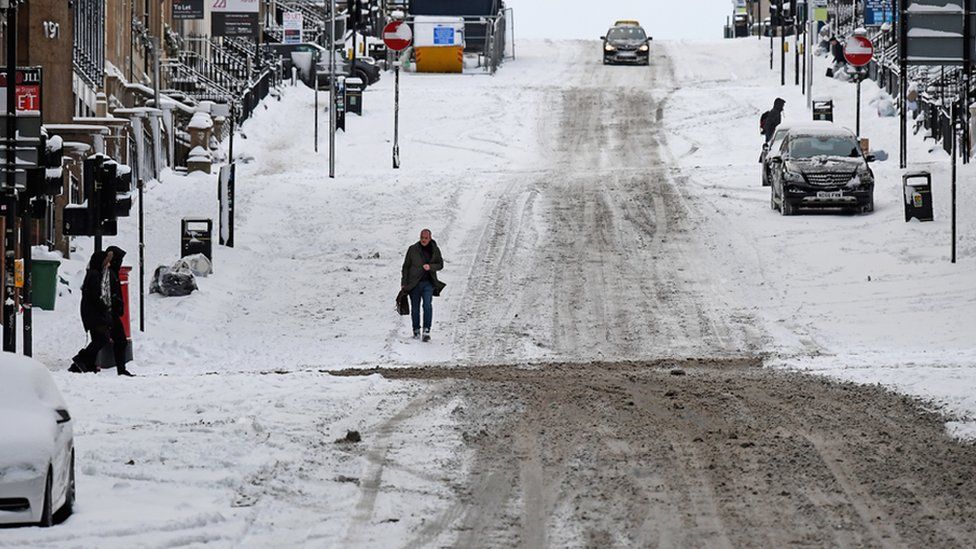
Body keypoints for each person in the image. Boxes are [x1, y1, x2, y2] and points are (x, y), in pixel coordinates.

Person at [70, 248, 134, 376]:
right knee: (102, 340)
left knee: (110, 340)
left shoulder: (103, 273)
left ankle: (86, 365)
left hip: (105, 314)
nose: (110, 263)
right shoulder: (99, 275)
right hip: (100, 315)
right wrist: (107, 310)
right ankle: (80, 362)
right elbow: (98, 297)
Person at [400, 229, 445, 342]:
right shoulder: (412, 249)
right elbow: (406, 266)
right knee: (415, 308)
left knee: (427, 306)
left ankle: (426, 330)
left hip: (428, 283)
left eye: (425, 238)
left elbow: (440, 265)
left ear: (430, 238)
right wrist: (404, 282)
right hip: (414, 283)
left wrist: (430, 267)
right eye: (422, 237)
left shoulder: (434, 250)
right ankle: (416, 330)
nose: (423, 240)